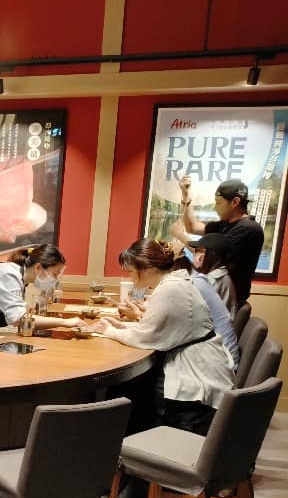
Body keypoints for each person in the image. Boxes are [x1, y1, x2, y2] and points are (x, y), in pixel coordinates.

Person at [89, 239, 233, 436]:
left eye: (130, 272)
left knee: (128, 389)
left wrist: (109, 331)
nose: (130, 277)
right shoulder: (175, 282)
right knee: (130, 386)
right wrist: (122, 326)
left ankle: (119, 438)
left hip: (195, 376)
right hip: (198, 359)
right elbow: (159, 329)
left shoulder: (170, 289)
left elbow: (145, 337)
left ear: (147, 268)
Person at [178, 176, 263, 307]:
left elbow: (208, 257)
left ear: (235, 202)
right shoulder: (225, 224)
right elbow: (192, 227)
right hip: (213, 294)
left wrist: (180, 236)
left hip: (226, 300)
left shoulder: (248, 229)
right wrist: (185, 195)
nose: (215, 207)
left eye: (218, 203)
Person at [185, 232, 236, 317]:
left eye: (200, 251)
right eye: (196, 251)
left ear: (213, 256)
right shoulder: (222, 277)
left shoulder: (212, 281)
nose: (196, 256)